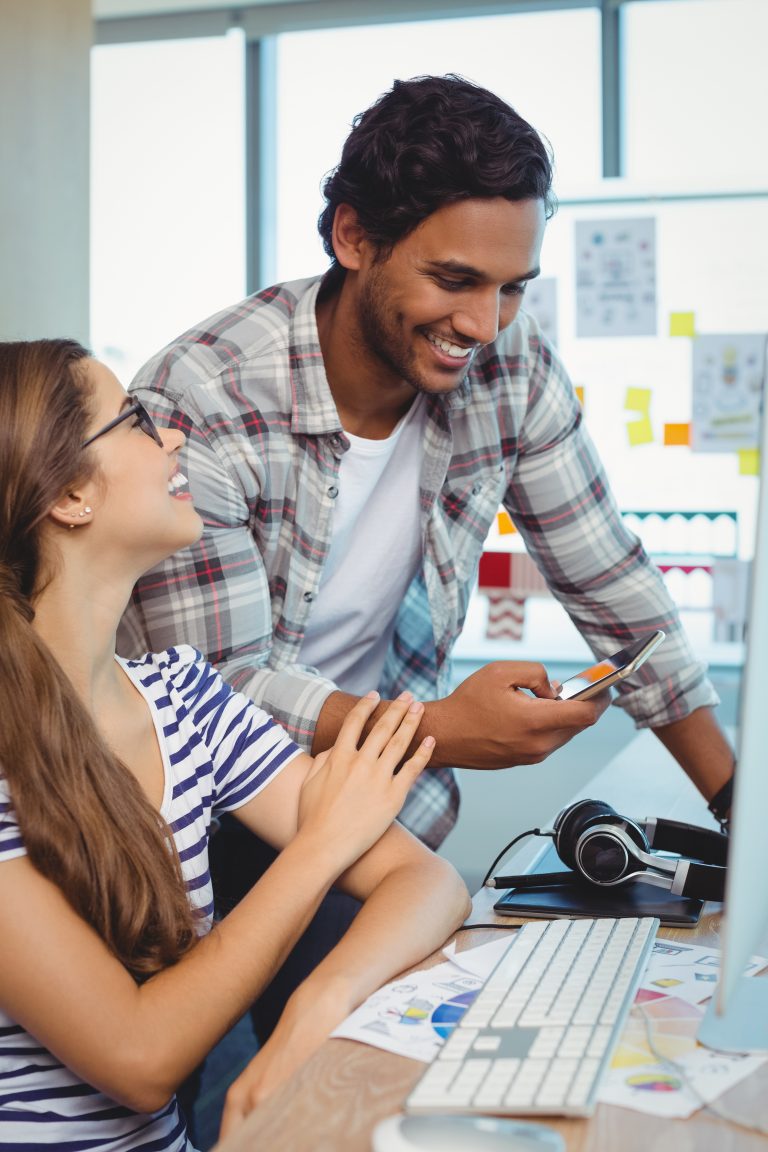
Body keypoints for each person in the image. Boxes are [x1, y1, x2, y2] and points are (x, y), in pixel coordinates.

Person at [118, 70, 734, 1038]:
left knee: (367, 1051)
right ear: (354, 238)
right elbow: (219, 689)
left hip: (359, 802)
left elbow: (613, 584)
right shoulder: (205, 400)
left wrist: (740, 810)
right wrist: (441, 730)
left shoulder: (509, 362)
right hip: (184, 812)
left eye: (511, 288)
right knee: (182, 1083)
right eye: (455, 281)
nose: (484, 326)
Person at [0, 338, 470, 1150]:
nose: (176, 437)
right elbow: (141, 1056)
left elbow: (427, 881)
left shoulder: (183, 697)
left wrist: (312, 1014)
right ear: (70, 494)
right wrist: (320, 848)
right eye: (138, 423)